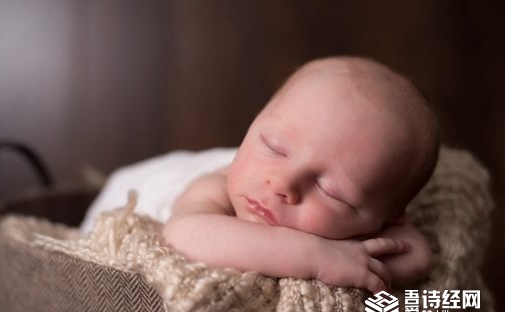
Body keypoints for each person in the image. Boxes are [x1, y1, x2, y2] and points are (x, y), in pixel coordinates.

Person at [162, 56, 440, 294]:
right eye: (275, 147)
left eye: (330, 191)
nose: (282, 183)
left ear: (385, 219)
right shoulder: (216, 186)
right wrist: (313, 255)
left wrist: (358, 262)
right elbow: (182, 234)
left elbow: (416, 256)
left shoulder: (378, 218)